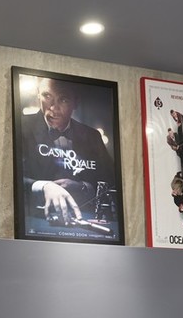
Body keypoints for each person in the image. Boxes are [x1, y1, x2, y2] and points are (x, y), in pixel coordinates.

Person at [18, 76, 116, 230]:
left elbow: (111, 179)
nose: (53, 108)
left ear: (76, 102)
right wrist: (43, 186)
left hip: (85, 225)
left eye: (63, 99)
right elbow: (11, 180)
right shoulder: (20, 126)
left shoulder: (92, 136)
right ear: (38, 95)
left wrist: (84, 187)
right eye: (47, 96)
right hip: (35, 223)